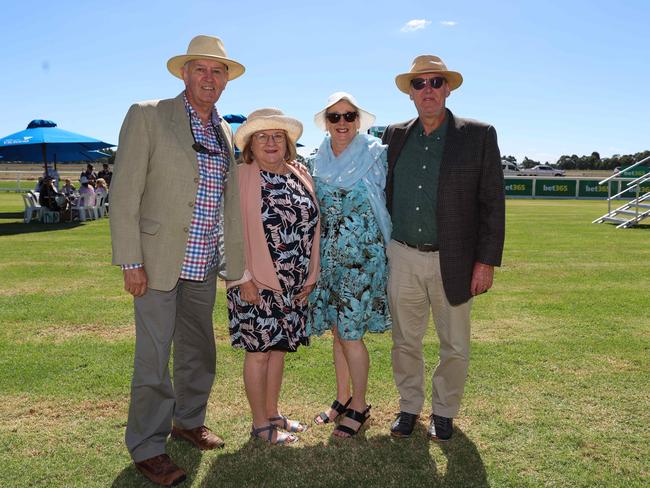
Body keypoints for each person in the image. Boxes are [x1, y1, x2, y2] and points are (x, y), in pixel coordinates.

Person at [109, 35, 245, 486]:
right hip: (157, 262)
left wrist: (234, 264)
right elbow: (124, 191)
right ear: (184, 74)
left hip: (203, 263)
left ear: (226, 80)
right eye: (201, 69)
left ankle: (188, 420)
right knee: (153, 358)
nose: (209, 78)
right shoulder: (148, 115)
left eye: (218, 71)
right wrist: (130, 259)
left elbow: (226, 201)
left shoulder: (224, 130)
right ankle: (148, 445)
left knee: (199, 352)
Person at [383, 55, 505, 442]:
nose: (428, 90)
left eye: (436, 82)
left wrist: (485, 261)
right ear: (410, 93)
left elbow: (492, 203)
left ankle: (445, 411)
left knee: (454, 344)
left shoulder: (478, 135)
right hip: (401, 255)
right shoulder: (394, 135)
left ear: (448, 88)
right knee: (404, 341)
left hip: (453, 259)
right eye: (419, 84)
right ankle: (408, 408)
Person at [226, 108, 320, 445]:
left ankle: (273, 413)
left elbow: (313, 227)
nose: (270, 142)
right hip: (255, 283)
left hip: (293, 283)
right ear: (250, 144)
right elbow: (228, 231)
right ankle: (259, 425)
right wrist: (242, 278)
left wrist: (311, 273)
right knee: (259, 352)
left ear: (288, 143)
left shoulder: (300, 173)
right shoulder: (241, 176)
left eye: (277, 136)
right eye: (262, 136)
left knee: (279, 349)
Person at [307, 92, 391, 438]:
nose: (342, 123)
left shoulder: (376, 156)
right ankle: (342, 398)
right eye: (335, 117)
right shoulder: (316, 160)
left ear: (358, 120)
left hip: (362, 261)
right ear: (326, 123)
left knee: (352, 335)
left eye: (348, 116)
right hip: (330, 259)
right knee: (338, 332)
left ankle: (360, 404)